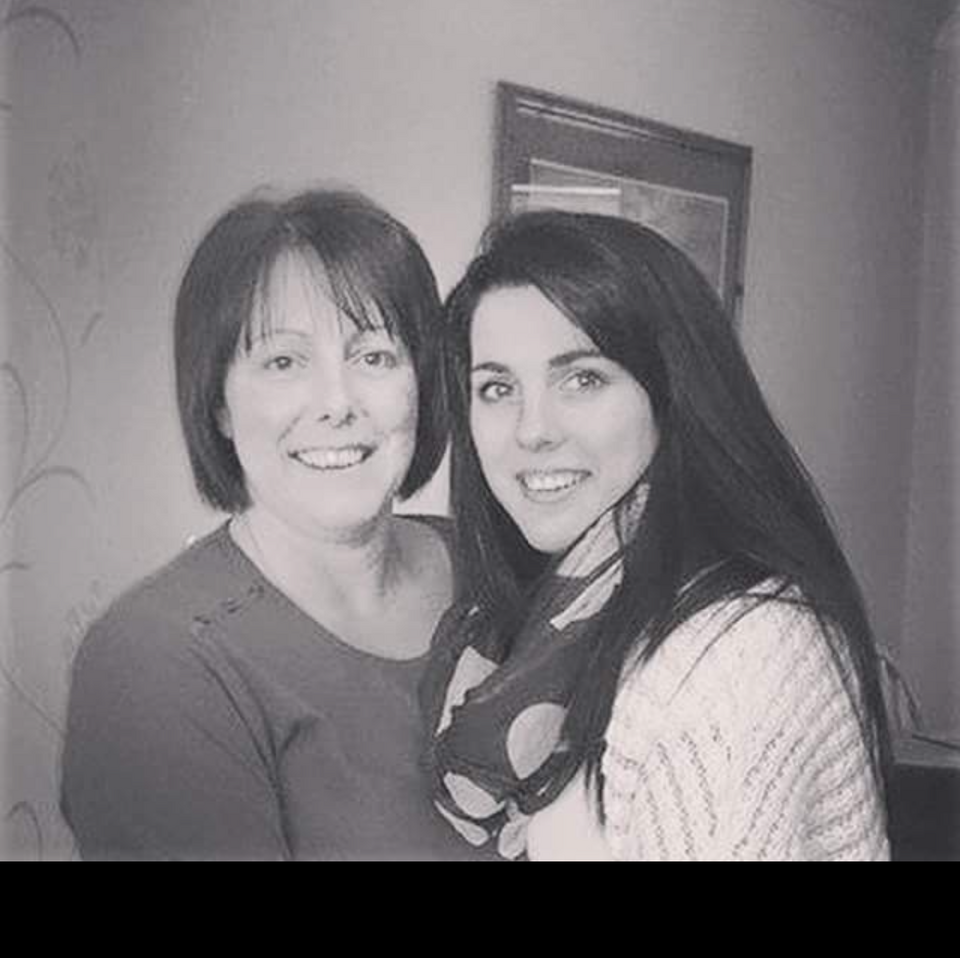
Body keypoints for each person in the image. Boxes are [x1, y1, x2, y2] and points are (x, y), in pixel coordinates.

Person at [421, 210, 891, 862]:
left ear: (672, 393)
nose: (532, 429)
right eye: (497, 386)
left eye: (582, 377)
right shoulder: (536, 619)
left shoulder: (735, 658)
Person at [62, 187, 491, 861]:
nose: (337, 403)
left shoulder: (495, 565)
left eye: (374, 355)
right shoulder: (154, 664)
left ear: (422, 380)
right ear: (221, 404)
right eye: (283, 361)